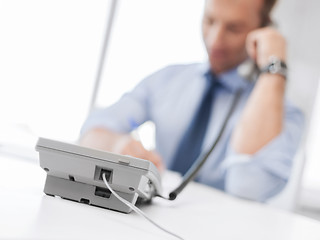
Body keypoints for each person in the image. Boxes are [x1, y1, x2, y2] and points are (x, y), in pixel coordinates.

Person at [80, 0, 304, 202]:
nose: (215, 39)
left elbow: (248, 186)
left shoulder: (285, 116)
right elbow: (93, 132)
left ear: (263, 30)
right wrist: (118, 145)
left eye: (234, 28)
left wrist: (274, 68)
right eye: (210, 20)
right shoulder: (167, 80)